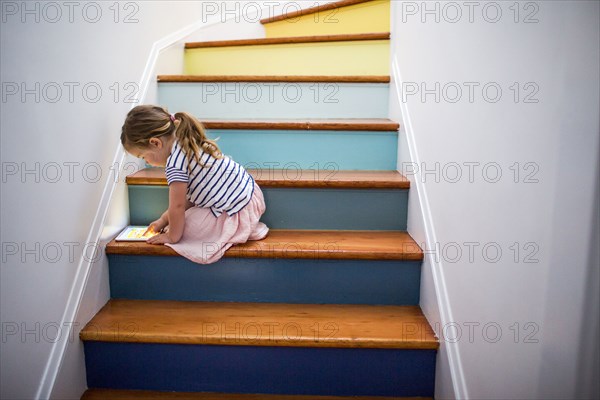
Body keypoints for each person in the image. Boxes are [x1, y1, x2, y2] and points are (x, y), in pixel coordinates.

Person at [120, 105, 268, 264]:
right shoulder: (185, 140)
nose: (147, 162)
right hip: (250, 196)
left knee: (184, 229)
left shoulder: (175, 166)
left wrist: (172, 236)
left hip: (236, 209)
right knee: (179, 221)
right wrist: (163, 220)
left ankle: (237, 229)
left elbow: (177, 206)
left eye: (143, 157)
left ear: (156, 143)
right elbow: (189, 198)